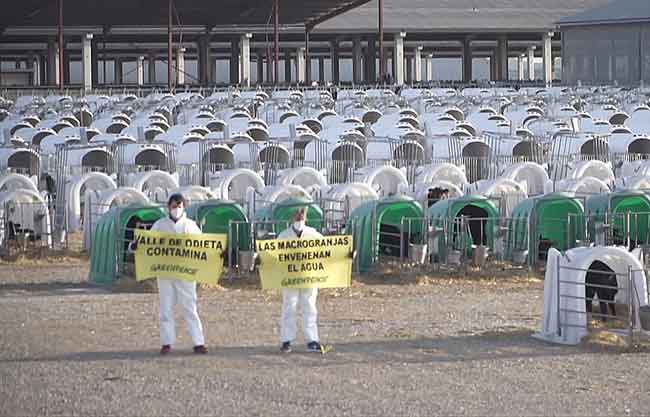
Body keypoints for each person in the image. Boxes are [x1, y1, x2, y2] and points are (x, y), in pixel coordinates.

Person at [134, 193, 207, 355]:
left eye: (179, 206)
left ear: (184, 207)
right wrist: (136, 245)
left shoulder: (191, 225)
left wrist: (218, 253)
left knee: (190, 307)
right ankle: (167, 342)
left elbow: (205, 246)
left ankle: (198, 342)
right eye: (174, 206)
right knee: (166, 308)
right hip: (165, 273)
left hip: (186, 273)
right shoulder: (160, 225)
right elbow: (146, 242)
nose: (176, 209)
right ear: (168, 207)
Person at [277, 206, 323, 353]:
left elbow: (330, 250)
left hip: (309, 277)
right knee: (289, 306)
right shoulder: (283, 236)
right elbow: (274, 254)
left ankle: (312, 340)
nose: (300, 216)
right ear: (291, 215)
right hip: (289, 278)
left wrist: (345, 254)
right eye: (297, 212)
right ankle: (286, 340)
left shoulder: (314, 234)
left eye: (302, 212)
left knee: (309, 306)